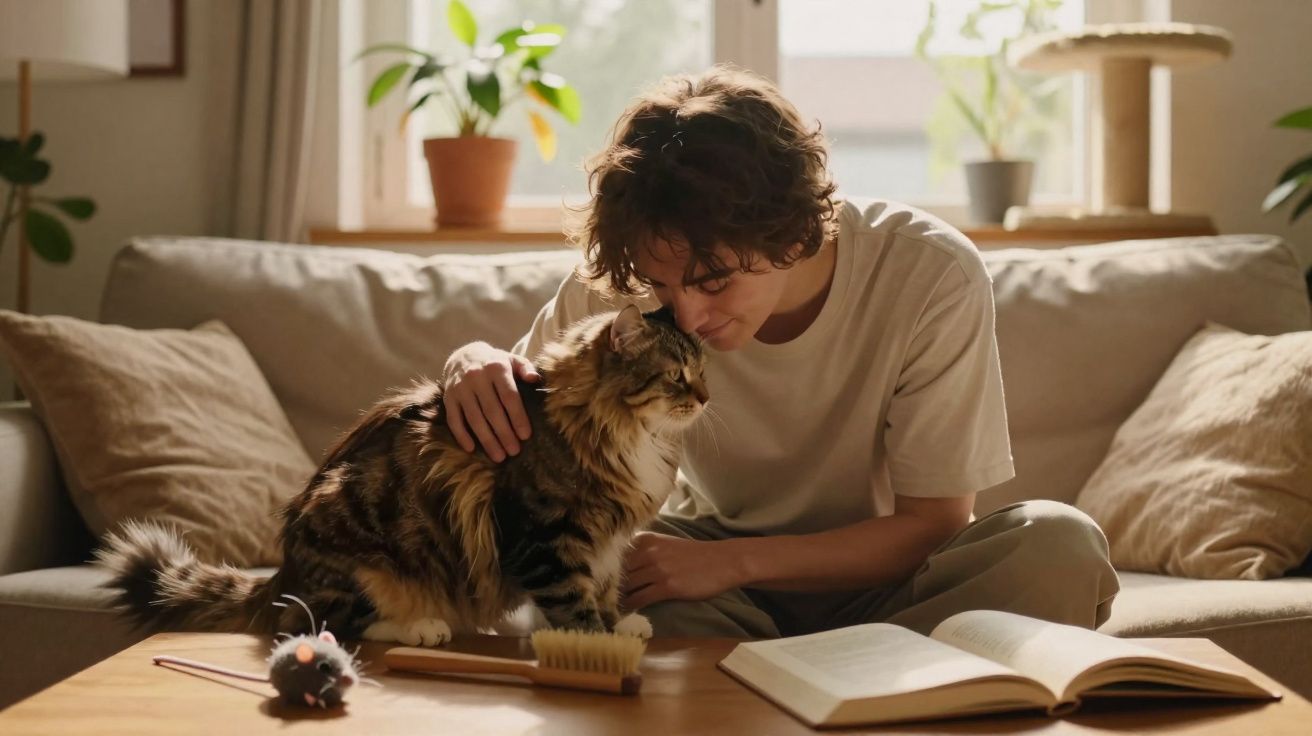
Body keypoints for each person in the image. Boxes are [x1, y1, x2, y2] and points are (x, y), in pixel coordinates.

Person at [440, 64, 1118, 638]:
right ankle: (848, 685)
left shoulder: (930, 272)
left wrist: (737, 564)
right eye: (662, 285)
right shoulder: (637, 294)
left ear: (793, 234)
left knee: (1060, 546)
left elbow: (932, 524)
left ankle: (781, 680)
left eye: (713, 282)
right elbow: (523, 432)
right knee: (613, 585)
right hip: (710, 584)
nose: (686, 314)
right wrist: (469, 361)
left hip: (898, 581)